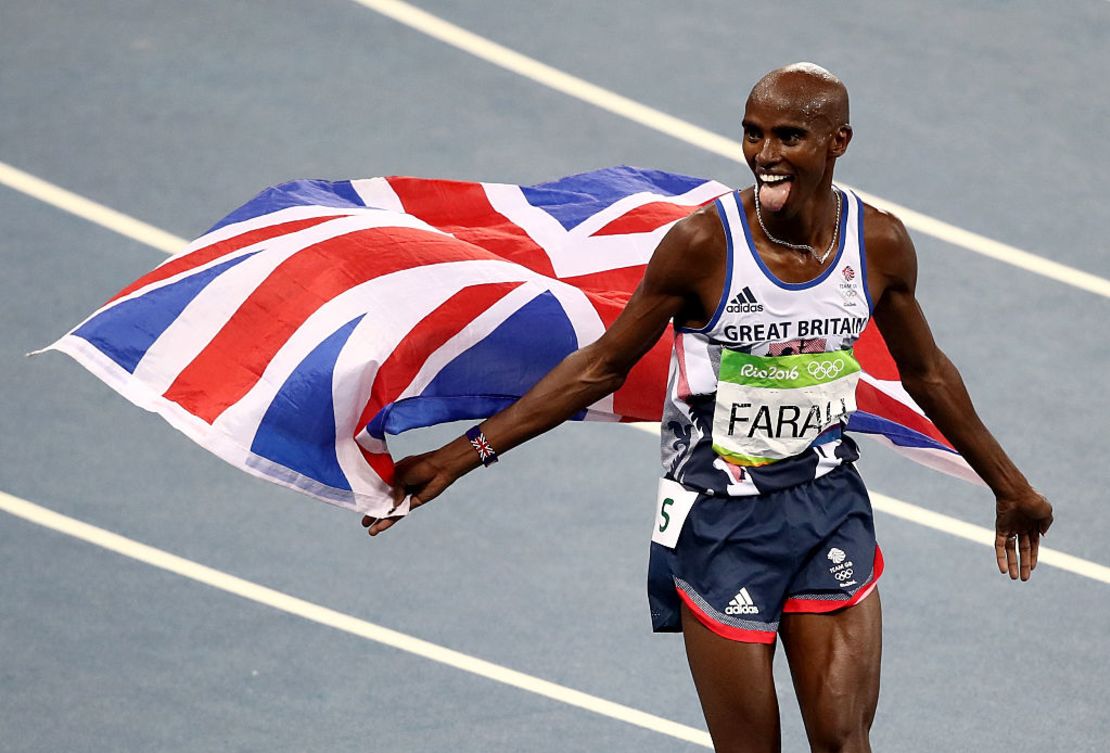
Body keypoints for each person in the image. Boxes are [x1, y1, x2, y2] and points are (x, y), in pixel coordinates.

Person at [361, 63, 1054, 753]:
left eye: (789, 137)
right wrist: (463, 454)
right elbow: (599, 367)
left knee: (845, 740)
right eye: (753, 135)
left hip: (827, 506)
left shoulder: (879, 245)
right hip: (719, 521)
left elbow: (927, 373)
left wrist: (1009, 485)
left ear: (838, 142)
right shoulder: (702, 247)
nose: (765, 155)